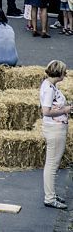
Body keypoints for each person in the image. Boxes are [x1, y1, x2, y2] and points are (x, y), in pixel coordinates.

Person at [40, 60, 71, 210]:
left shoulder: (49, 85)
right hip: (55, 129)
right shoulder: (50, 89)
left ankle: (50, 193)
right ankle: (50, 198)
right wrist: (66, 110)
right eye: (64, 72)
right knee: (52, 165)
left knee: (52, 164)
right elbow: (46, 111)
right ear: (58, 73)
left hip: (53, 127)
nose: (66, 74)